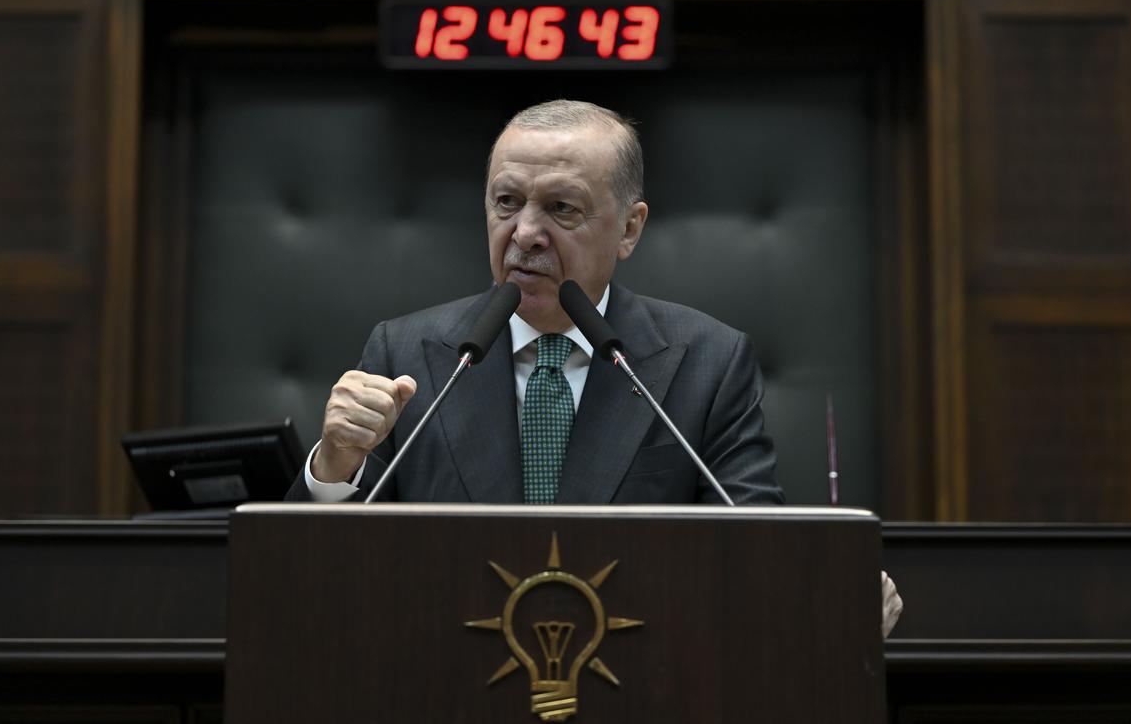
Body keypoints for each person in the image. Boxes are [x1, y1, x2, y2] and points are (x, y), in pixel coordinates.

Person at [287, 99, 902, 637]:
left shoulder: (708, 361)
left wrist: (826, 595)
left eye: (561, 208)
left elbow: (757, 550)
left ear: (630, 228)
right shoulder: (406, 352)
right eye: (506, 202)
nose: (525, 233)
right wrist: (333, 468)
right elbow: (313, 579)